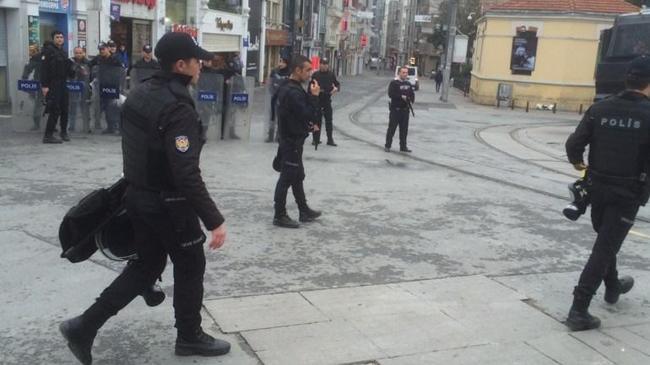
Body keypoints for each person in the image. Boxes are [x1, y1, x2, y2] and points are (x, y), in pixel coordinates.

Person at [59, 32, 230, 365]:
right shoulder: (177, 107)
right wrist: (214, 220)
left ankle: (83, 327)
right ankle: (190, 336)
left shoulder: (140, 92)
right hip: (170, 204)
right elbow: (186, 174)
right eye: (196, 60)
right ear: (181, 65)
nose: (201, 66)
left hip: (137, 196)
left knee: (147, 265)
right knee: (191, 263)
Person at [564, 55, 650, 332]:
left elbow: (573, 146)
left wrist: (581, 165)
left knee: (606, 241)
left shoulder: (600, 108)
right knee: (604, 247)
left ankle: (613, 286)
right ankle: (579, 309)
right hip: (627, 193)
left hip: (596, 190)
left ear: (627, 79)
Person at [273, 55, 322, 228]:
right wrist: (315, 96)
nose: (311, 73)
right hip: (291, 141)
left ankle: (303, 210)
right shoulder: (292, 91)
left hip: (292, 138)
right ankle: (279, 215)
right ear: (297, 70)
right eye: (307, 70)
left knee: (297, 176)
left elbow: (295, 113)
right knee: (287, 177)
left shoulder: (289, 87)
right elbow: (307, 113)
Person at [41, 30, 74, 144]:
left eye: (61, 37)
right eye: (57, 37)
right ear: (53, 39)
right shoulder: (48, 51)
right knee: (55, 109)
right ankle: (48, 135)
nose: (60, 39)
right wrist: (45, 86)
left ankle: (63, 132)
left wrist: (72, 70)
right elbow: (43, 70)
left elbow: (67, 69)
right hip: (53, 84)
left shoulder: (63, 52)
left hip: (63, 83)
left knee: (65, 108)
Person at [89, 42, 123, 134]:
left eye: (103, 49)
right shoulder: (98, 58)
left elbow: (121, 72)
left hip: (113, 86)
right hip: (102, 85)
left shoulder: (115, 59)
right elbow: (89, 64)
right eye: (100, 49)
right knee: (104, 106)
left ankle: (118, 127)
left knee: (114, 107)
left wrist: (119, 86)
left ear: (108, 49)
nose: (101, 51)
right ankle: (110, 127)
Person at [311, 58, 341, 147]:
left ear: (328, 65)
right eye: (322, 64)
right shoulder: (315, 74)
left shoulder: (331, 75)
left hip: (327, 100)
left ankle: (330, 140)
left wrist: (336, 89)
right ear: (319, 64)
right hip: (318, 100)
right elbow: (311, 86)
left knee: (329, 121)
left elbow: (337, 84)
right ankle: (315, 139)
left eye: (325, 64)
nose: (323, 65)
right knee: (317, 121)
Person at [385, 66, 415, 153]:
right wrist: (401, 97)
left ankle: (403, 146)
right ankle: (387, 145)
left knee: (404, 130)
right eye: (403, 72)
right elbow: (391, 94)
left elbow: (412, 95)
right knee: (392, 129)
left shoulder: (408, 84)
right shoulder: (394, 83)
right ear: (399, 73)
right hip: (396, 110)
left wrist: (411, 99)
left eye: (406, 72)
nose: (405, 74)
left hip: (405, 110)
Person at [267, 56, 291, 142]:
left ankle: (279, 135)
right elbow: (270, 83)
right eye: (280, 61)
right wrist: (273, 92)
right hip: (274, 97)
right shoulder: (274, 71)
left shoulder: (290, 72)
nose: (280, 64)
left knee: (281, 117)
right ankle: (270, 135)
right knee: (272, 116)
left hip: (285, 98)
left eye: (282, 62)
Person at [68, 47, 92, 133]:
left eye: (80, 53)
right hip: (73, 87)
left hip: (84, 87)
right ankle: (71, 126)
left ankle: (86, 126)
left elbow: (91, 75)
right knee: (72, 106)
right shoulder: (70, 62)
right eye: (76, 53)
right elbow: (68, 74)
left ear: (83, 53)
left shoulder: (88, 62)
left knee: (84, 107)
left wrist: (84, 72)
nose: (78, 54)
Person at [22, 44, 44, 131]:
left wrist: (24, 78)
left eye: (32, 50)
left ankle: (37, 124)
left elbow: (27, 69)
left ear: (37, 51)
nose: (30, 52)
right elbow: (27, 69)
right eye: (30, 50)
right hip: (39, 83)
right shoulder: (37, 58)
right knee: (39, 104)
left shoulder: (37, 58)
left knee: (38, 104)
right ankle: (38, 124)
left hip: (42, 83)